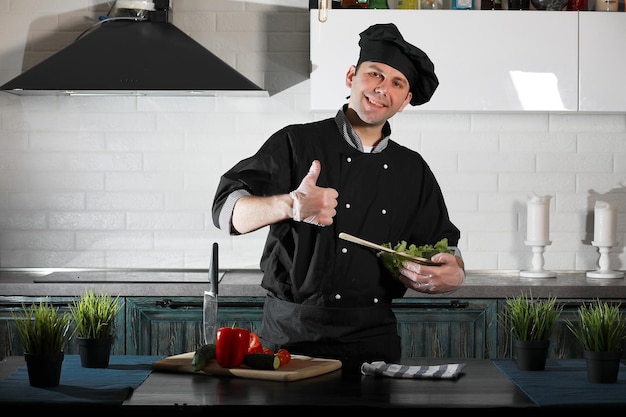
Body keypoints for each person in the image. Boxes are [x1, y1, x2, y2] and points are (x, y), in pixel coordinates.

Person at [212, 23, 465, 372]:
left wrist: (455, 274)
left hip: (374, 341)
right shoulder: (296, 143)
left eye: (397, 83)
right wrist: (290, 204)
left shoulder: (412, 168)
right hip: (292, 339)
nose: (381, 89)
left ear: (405, 101)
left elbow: (442, 247)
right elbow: (227, 211)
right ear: (351, 76)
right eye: (374, 74)